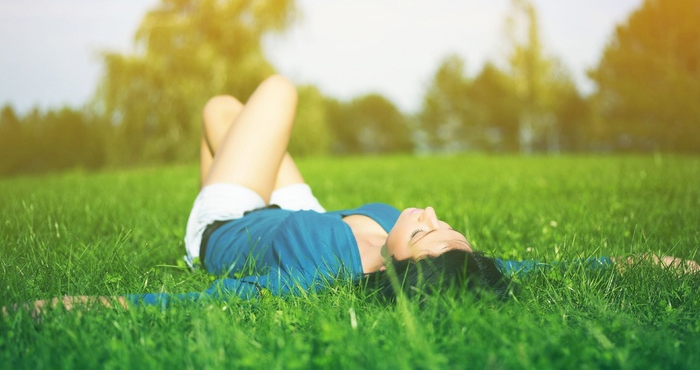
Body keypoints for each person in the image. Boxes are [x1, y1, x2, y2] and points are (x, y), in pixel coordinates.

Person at [6, 75, 698, 315]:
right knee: (222, 112)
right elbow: (543, 273)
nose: (427, 214)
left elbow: (189, 305)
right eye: (443, 227)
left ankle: (201, 218)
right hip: (303, 213)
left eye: (422, 232)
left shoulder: (322, 274)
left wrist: (57, 305)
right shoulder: (448, 265)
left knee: (270, 94)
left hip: (231, 224)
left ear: (401, 270)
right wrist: (659, 265)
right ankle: (225, 145)